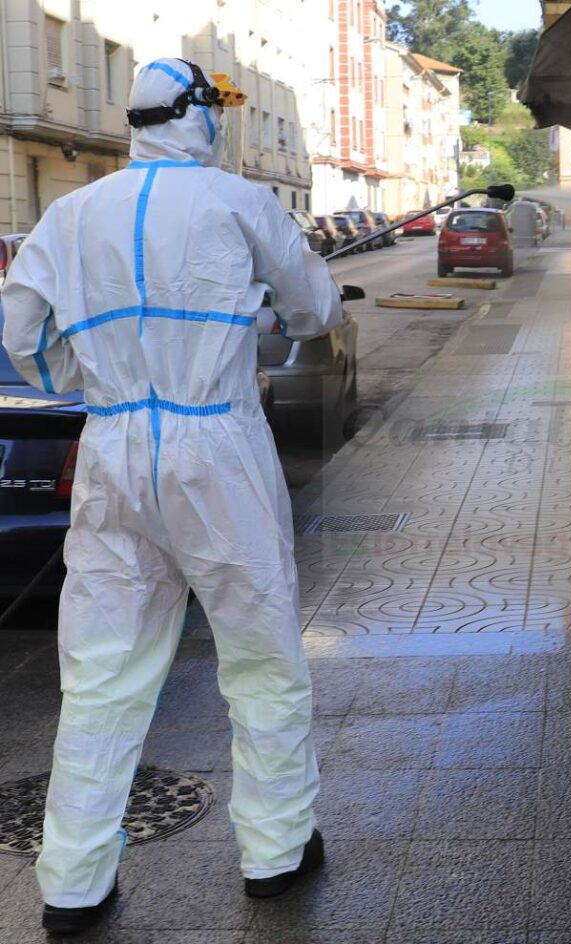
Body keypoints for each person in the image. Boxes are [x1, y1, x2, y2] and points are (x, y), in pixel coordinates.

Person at [1, 59, 341, 935]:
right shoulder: (236, 202)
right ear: (198, 118)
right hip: (215, 446)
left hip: (113, 446)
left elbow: (19, 330)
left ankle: (72, 884)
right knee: (261, 653)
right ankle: (275, 850)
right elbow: (315, 312)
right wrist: (266, 310)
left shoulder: (70, 213)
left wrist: (79, 376)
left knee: (103, 671)